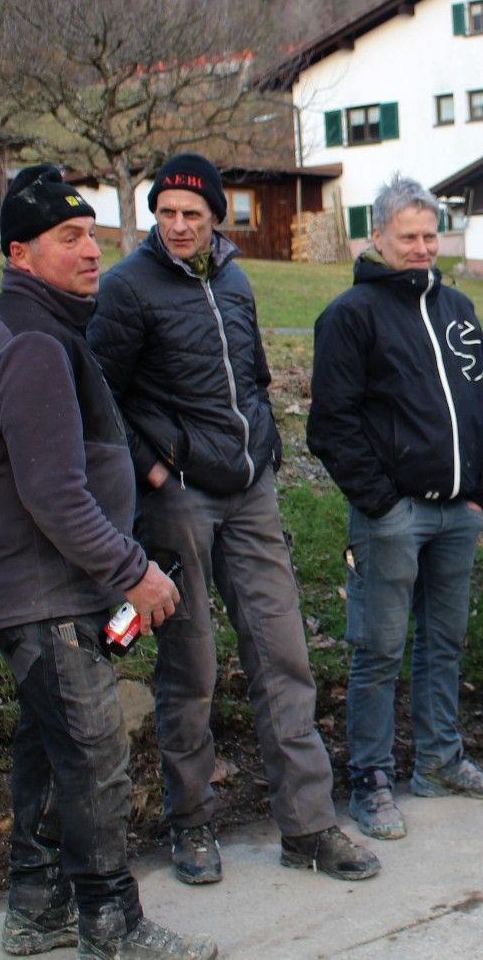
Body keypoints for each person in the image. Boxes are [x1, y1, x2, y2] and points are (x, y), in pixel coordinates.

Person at [89, 152, 379, 885]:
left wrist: (267, 444)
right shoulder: (126, 288)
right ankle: (189, 824)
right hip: (180, 495)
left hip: (251, 489)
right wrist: (154, 470)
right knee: (192, 665)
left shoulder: (236, 277)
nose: (179, 226)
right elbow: (99, 397)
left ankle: (308, 825)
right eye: (167, 213)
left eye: (192, 213)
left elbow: (249, 373)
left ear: (216, 215)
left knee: (284, 654)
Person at [0, 165, 216, 958]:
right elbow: (54, 494)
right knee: (95, 755)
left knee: (51, 747)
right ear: (18, 252)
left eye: (92, 234)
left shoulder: (41, 324)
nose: (90, 249)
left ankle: (37, 911)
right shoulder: (36, 340)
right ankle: (112, 923)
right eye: (67, 237)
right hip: (47, 590)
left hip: (48, 584)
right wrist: (132, 571)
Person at [307, 176, 483, 842]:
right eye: (408, 237)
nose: (422, 247)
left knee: (444, 642)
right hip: (393, 517)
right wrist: (382, 504)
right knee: (379, 648)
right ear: (378, 238)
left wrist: (482, 492)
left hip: (457, 513)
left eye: (429, 235)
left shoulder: (457, 308)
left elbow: (481, 404)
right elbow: (331, 425)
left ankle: (439, 760)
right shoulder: (350, 314)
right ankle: (369, 778)